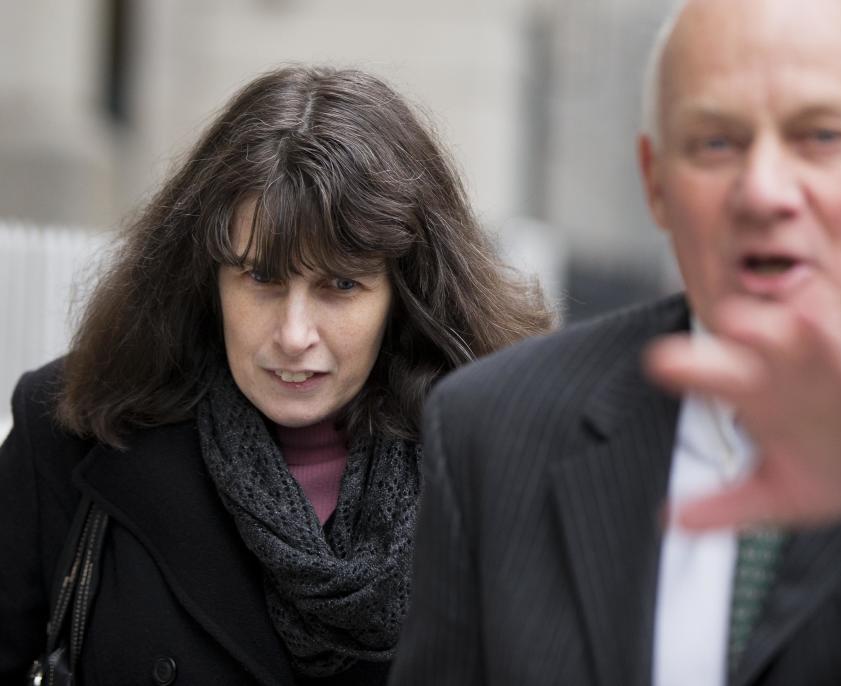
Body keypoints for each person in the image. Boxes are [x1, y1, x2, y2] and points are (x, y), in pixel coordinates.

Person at [389, 1, 841, 685]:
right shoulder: (495, 430)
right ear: (655, 180)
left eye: (822, 137)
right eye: (716, 143)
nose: (763, 191)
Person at [0, 66, 552, 684]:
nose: (294, 335)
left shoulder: (497, 472)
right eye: (261, 279)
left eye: (340, 285)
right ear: (206, 278)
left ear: (402, 296)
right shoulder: (71, 431)